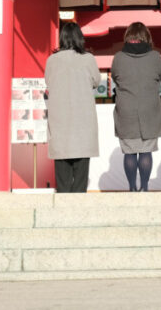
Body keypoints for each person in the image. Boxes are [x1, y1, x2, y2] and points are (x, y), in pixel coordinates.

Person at [44, 22, 100, 193]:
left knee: (62, 168)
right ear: (79, 38)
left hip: (60, 118)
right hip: (83, 119)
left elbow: (48, 82)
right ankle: (78, 204)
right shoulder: (88, 58)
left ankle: (62, 205)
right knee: (81, 169)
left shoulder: (52, 60)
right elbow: (96, 81)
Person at [110, 21, 161, 191]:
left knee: (130, 152)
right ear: (146, 37)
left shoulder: (119, 57)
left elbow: (115, 76)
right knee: (146, 151)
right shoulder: (155, 56)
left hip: (126, 109)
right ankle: (145, 187)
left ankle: (132, 187)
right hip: (149, 109)